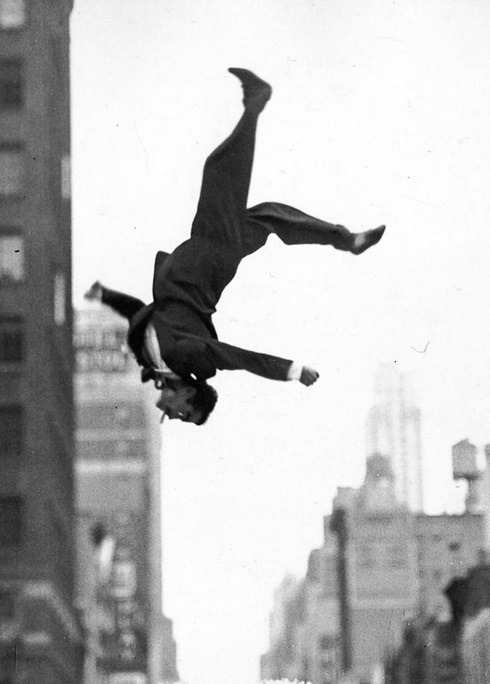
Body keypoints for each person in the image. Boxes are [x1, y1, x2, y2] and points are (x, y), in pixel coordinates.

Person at [85, 68, 386, 425]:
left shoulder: (149, 360)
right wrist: (291, 369)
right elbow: (237, 357)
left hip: (201, 255)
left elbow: (138, 309)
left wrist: (104, 295)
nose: (170, 413)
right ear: (190, 395)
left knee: (269, 218)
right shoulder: (196, 361)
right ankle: (256, 101)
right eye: (184, 414)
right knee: (220, 171)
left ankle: (347, 240)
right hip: (207, 260)